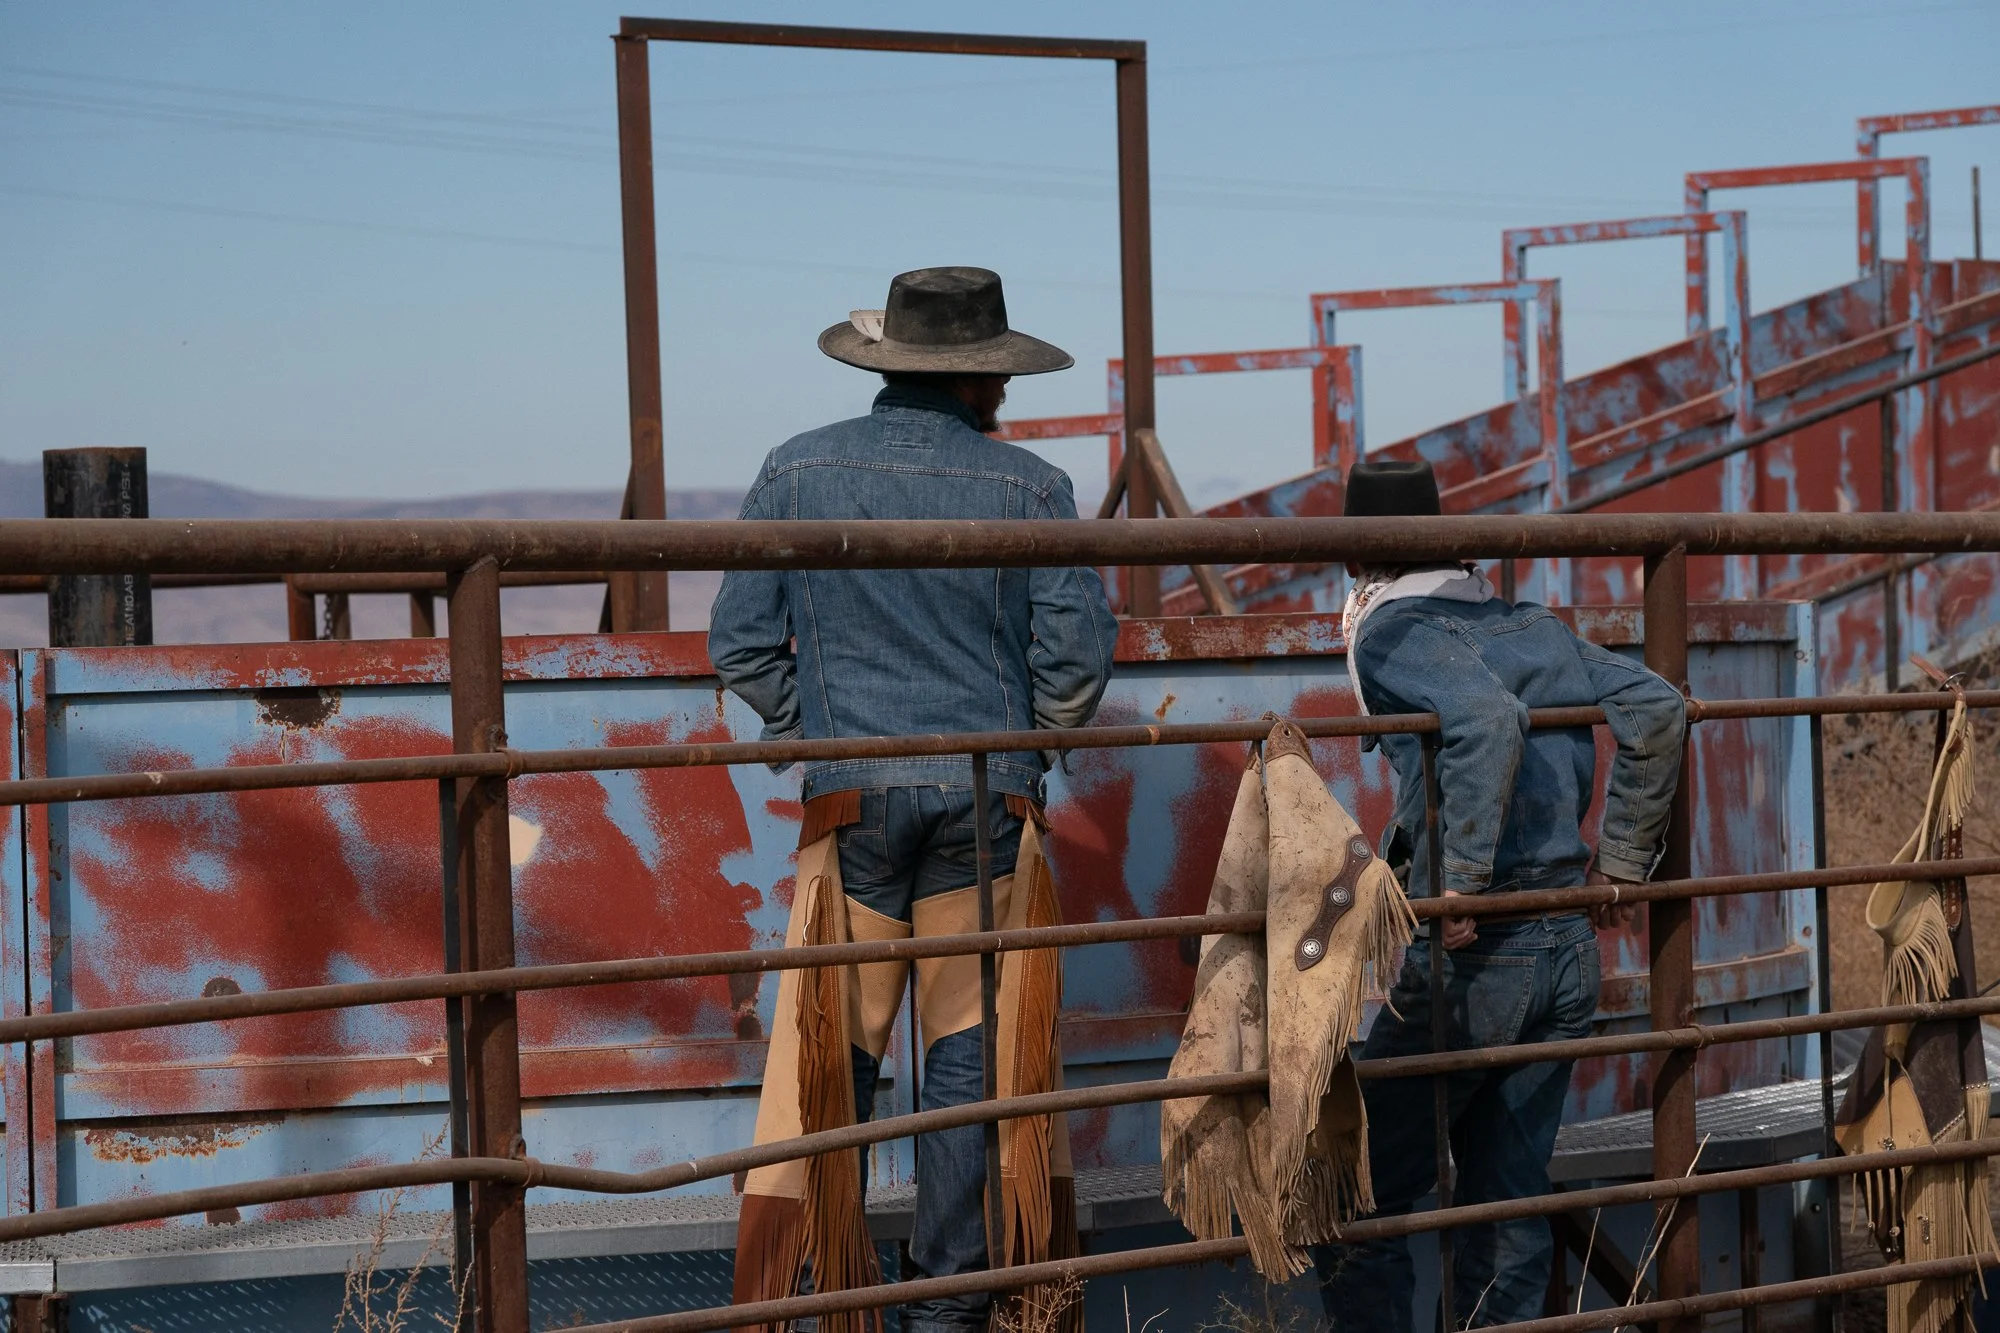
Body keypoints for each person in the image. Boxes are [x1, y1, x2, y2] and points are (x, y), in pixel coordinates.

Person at [708, 266, 1119, 1333]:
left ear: (888, 364)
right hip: (985, 809)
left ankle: (812, 1306)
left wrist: (822, 734)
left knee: (830, 1060)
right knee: (966, 1066)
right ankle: (947, 1314)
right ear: (982, 380)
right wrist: (1029, 750)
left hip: (850, 805)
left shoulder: (794, 470)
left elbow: (742, 644)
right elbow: (1072, 667)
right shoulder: (1031, 487)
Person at [1314, 459, 1687, 1331]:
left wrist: (1459, 888)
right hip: (1567, 946)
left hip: (1482, 954)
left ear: (1354, 559)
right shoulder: (1529, 621)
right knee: (1506, 1201)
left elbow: (1486, 722)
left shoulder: (1389, 631)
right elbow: (1657, 706)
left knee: (1352, 1190)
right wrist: (1621, 864)